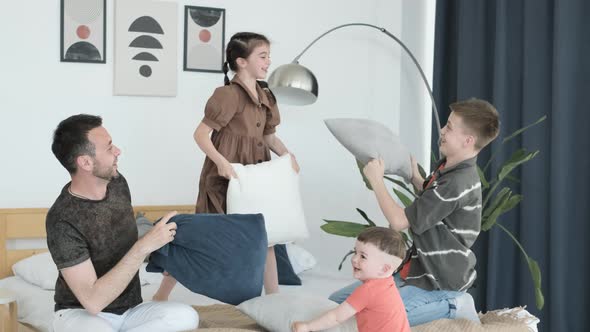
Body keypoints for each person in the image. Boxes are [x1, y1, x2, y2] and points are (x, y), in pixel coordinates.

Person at [153, 32, 299, 301]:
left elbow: (268, 137)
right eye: (263, 56)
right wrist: (221, 162)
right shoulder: (227, 95)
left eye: (269, 56)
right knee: (202, 235)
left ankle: (274, 300)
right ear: (242, 61)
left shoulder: (266, 96)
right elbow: (200, 134)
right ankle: (161, 295)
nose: (268, 62)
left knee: (264, 236)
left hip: (257, 175)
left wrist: (287, 156)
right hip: (225, 177)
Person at [329, 98, 500, 326]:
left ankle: (454, 304)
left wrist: (377, 181)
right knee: (335, 303)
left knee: (375, 316)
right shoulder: (449, 168)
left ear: (468, 140)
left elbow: (399, 222)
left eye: (449, 127)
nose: (442, 130)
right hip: (416, 270)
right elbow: (433, 201)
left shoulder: (458, 182)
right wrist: (414, 176)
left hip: (439, 279)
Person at [47, 114, 199, 332]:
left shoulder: (117, 183)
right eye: (109, 148)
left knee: (186, 316)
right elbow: (92, 301)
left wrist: (164, 253)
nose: (118, 151)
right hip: (80, 313)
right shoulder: (62, 219)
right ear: (86, 162)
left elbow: (120, 242)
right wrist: (143, 246)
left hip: (130, 311)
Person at [292, 227, 410, 332]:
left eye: (363, 256)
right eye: (355, 252)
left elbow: (336, 317)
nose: (354, 259)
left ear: (384, 269)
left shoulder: (368, 290)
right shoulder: (387, 284)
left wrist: (307, 327)